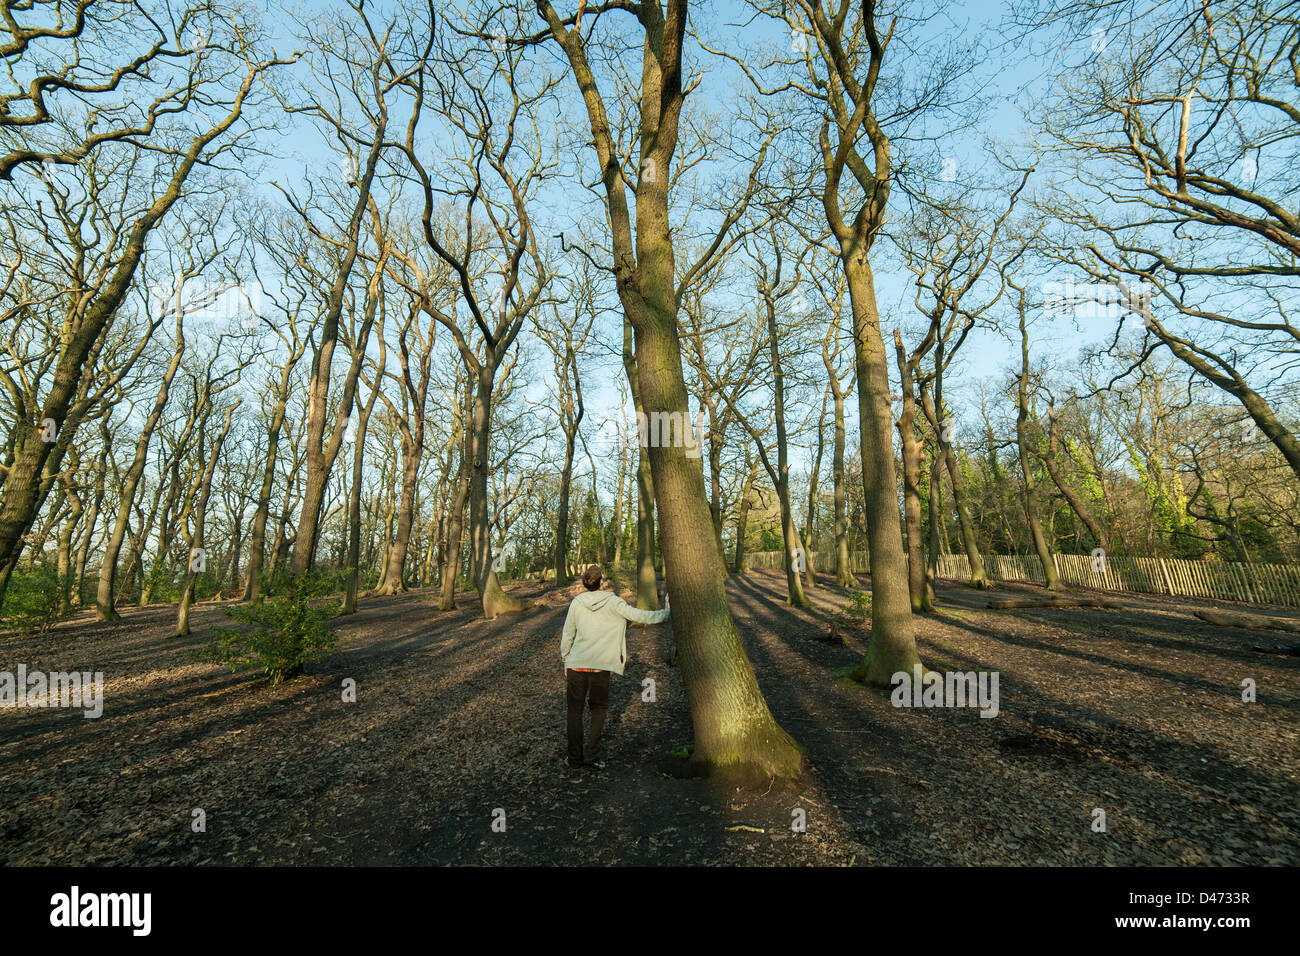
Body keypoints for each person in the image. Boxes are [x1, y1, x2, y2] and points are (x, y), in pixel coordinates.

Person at [559, 564, 670, 769]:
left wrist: (566, 660)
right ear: (602, 581)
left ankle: (574, 759)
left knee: (574, 713)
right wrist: (665, 612)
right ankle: (591, 757)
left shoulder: (577, 602)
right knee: (598, 710)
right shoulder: (615, 602)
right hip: (600, 667)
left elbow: (568, 635)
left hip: (577, 665)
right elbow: (640, 616)